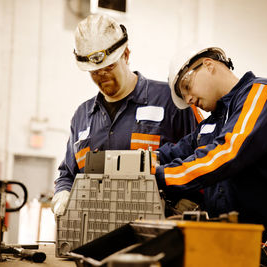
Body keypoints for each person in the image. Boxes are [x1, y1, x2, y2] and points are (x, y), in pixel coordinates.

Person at [155, 45, 267, 266]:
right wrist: (136, 163)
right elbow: (176, 152)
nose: (189, 99)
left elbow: (229, 152)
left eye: (187, 87)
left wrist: (160, 176)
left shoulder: (263, 93)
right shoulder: (214, 124)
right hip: (245, 248)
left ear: (208, 65)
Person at [52, 14, 199, 216]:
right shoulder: (82, 117)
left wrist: (188, 203)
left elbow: (201, 156)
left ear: (126, 55)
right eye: (94, 72)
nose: (102, 76)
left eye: (109, 67)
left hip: (157, 232)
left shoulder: (171, 101)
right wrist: (63, 195)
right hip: (96, 231)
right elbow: (67, 174)